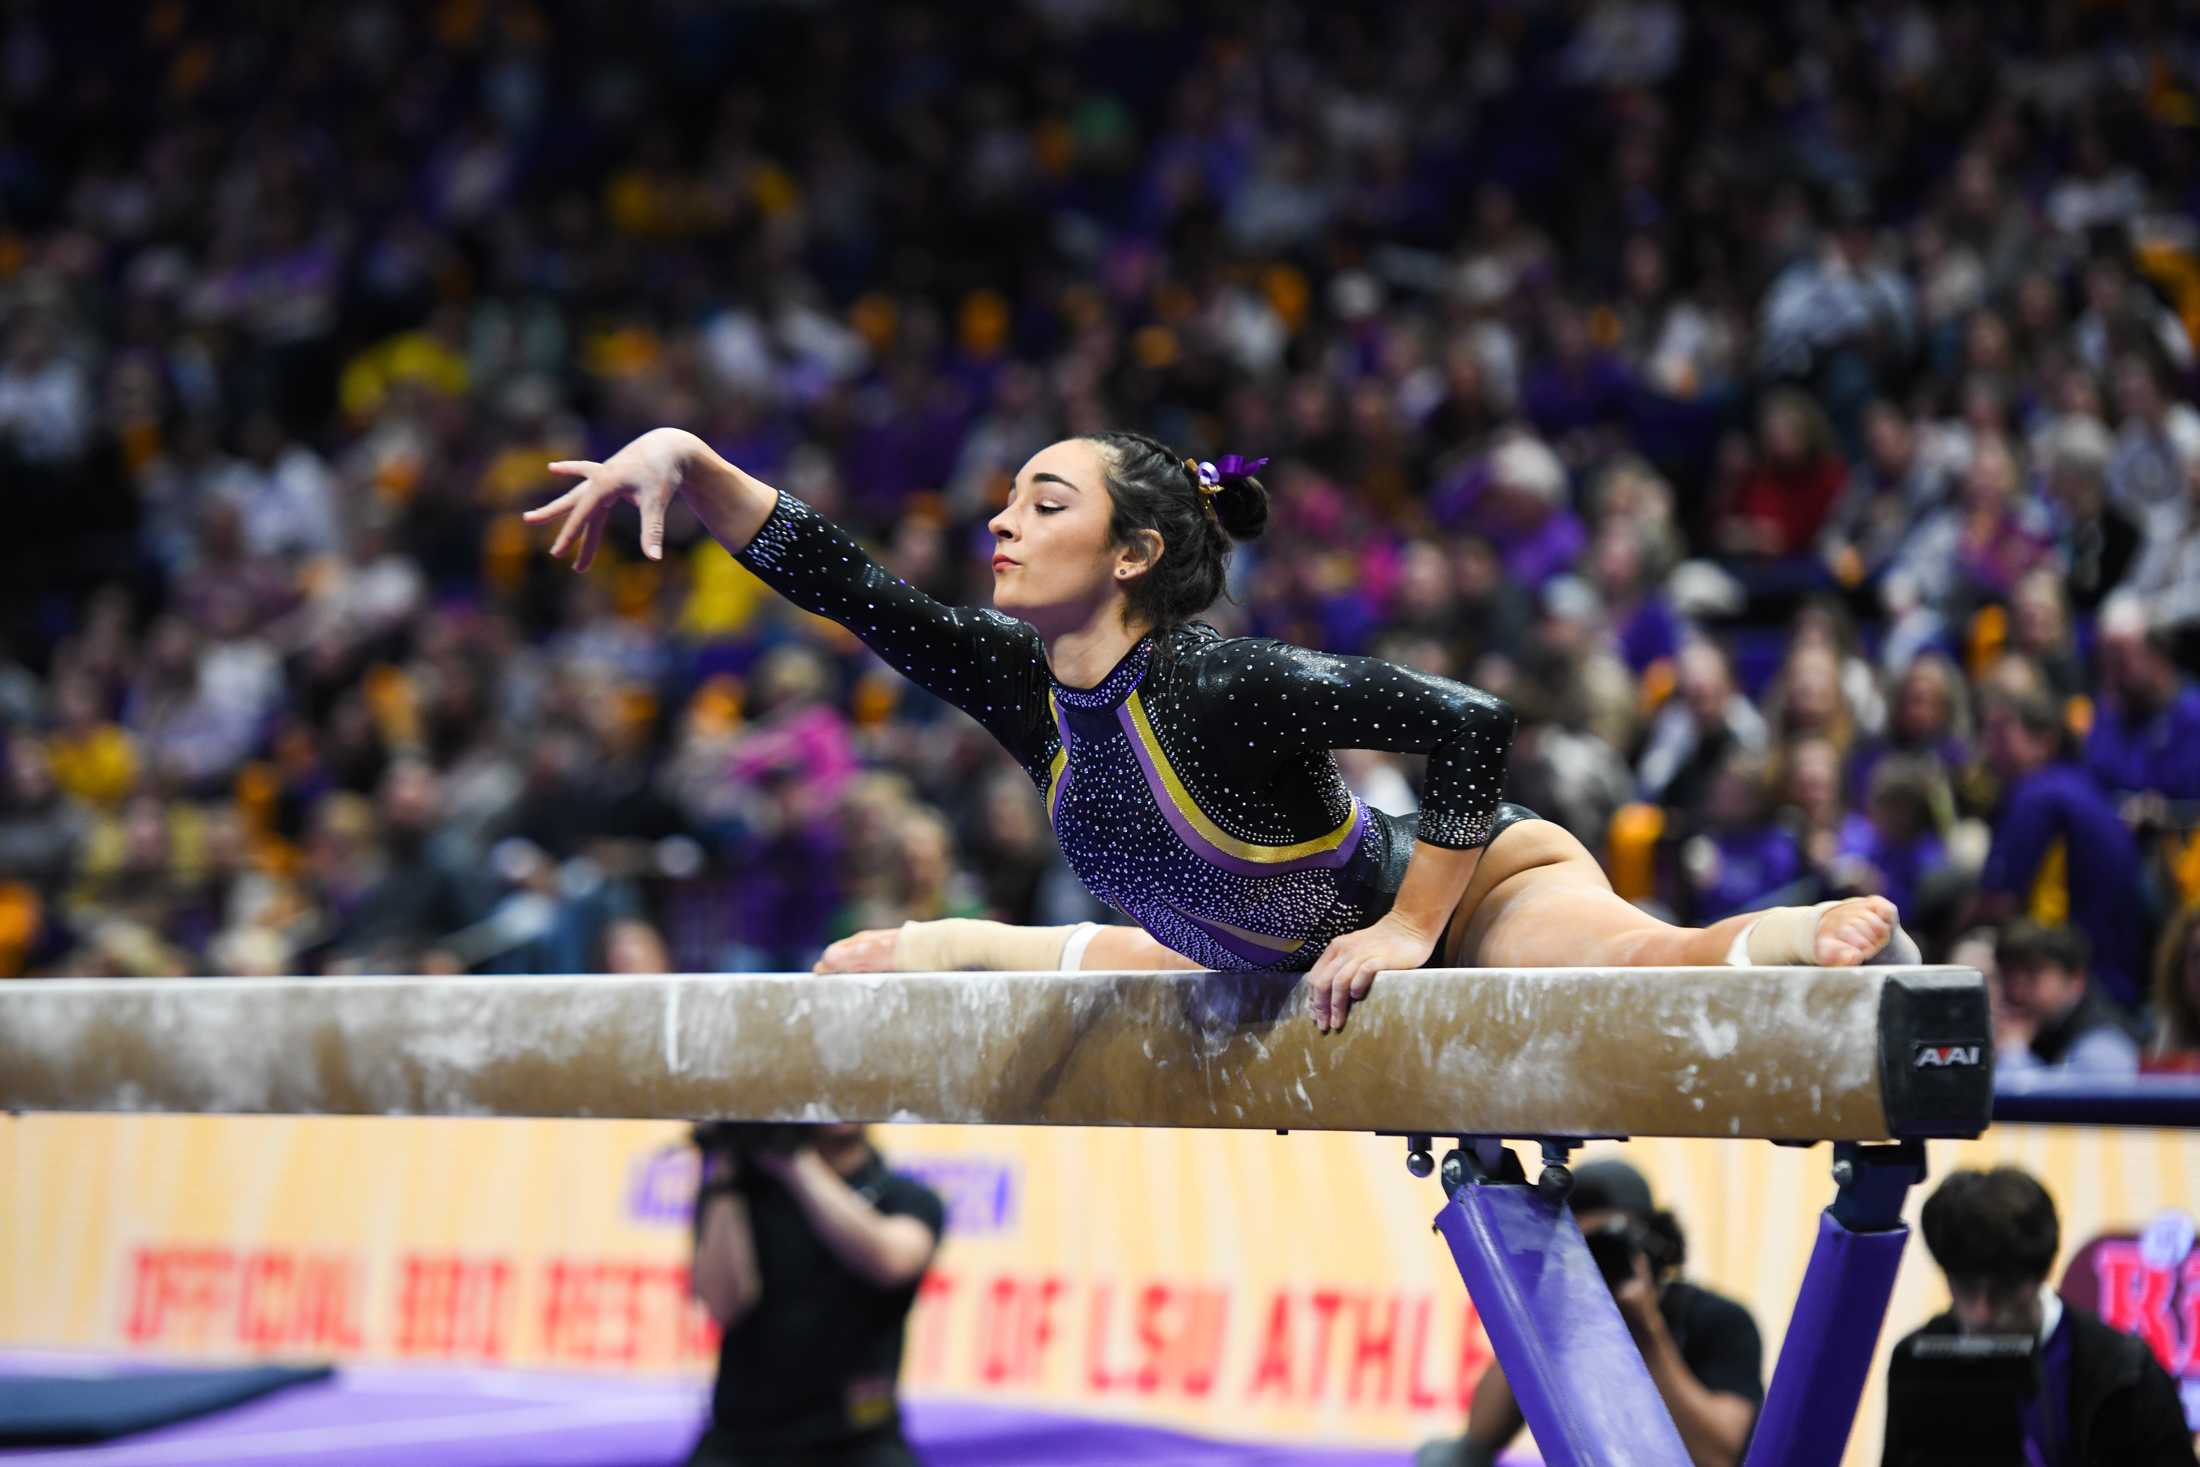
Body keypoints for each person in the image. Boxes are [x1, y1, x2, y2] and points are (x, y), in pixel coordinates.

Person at [528, 428, 1908, 1034]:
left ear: (1132, 553)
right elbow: (849, 582)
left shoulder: (1221, 682)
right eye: (1006, 498)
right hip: (1259, 942)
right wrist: (690, 460)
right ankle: (946, 946)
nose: (1001, 522)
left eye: (1045, 502)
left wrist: (1411, 927)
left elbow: (1472, 723)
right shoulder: (1029, 687)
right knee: (1172, 940)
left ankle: (1811, 931)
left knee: (1643, 970)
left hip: (1476, 890)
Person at [1413, 1159, 1763, 1467]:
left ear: (1654, 1245)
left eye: (1610, 1245)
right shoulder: (1564, 1319)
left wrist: (1647, 1334)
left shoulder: (1716, 1320)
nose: (1598, 1261)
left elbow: (1719, 1456)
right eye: (1582, 1246)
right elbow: (1479, 1441)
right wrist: (1537, 1312)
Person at [1882, 1166, 2195, 1466]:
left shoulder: (2126, 1370)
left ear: (2041, 1274)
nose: (1983, 1311)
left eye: (2004, 1288)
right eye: (1965, 1286)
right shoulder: (1917, 1361)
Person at [686, 1121, 946, 1467]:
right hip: (743, 1439)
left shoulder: (907, 1197)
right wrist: (726, 1162)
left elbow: (891, 1262)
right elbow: (723, 1305)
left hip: (859, 1439)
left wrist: (796, 1163)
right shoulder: (740, 1193)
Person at [1972, 685, 2152, 1009]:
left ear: (2044, 741)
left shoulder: (2037, 794)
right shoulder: (2081, 783)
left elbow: (1998, 903)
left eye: (2002, 735)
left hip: (2081, 983)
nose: (1989, 748)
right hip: (2123, 975)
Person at [1990, 921, 2142, 1084]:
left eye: (2032, 975)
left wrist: (2013, 1053)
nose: (2016, 992)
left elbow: (2058, 1107)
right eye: (2007, 976)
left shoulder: (2104, 1045)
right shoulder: (2016, 1030)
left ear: (2075, 980)